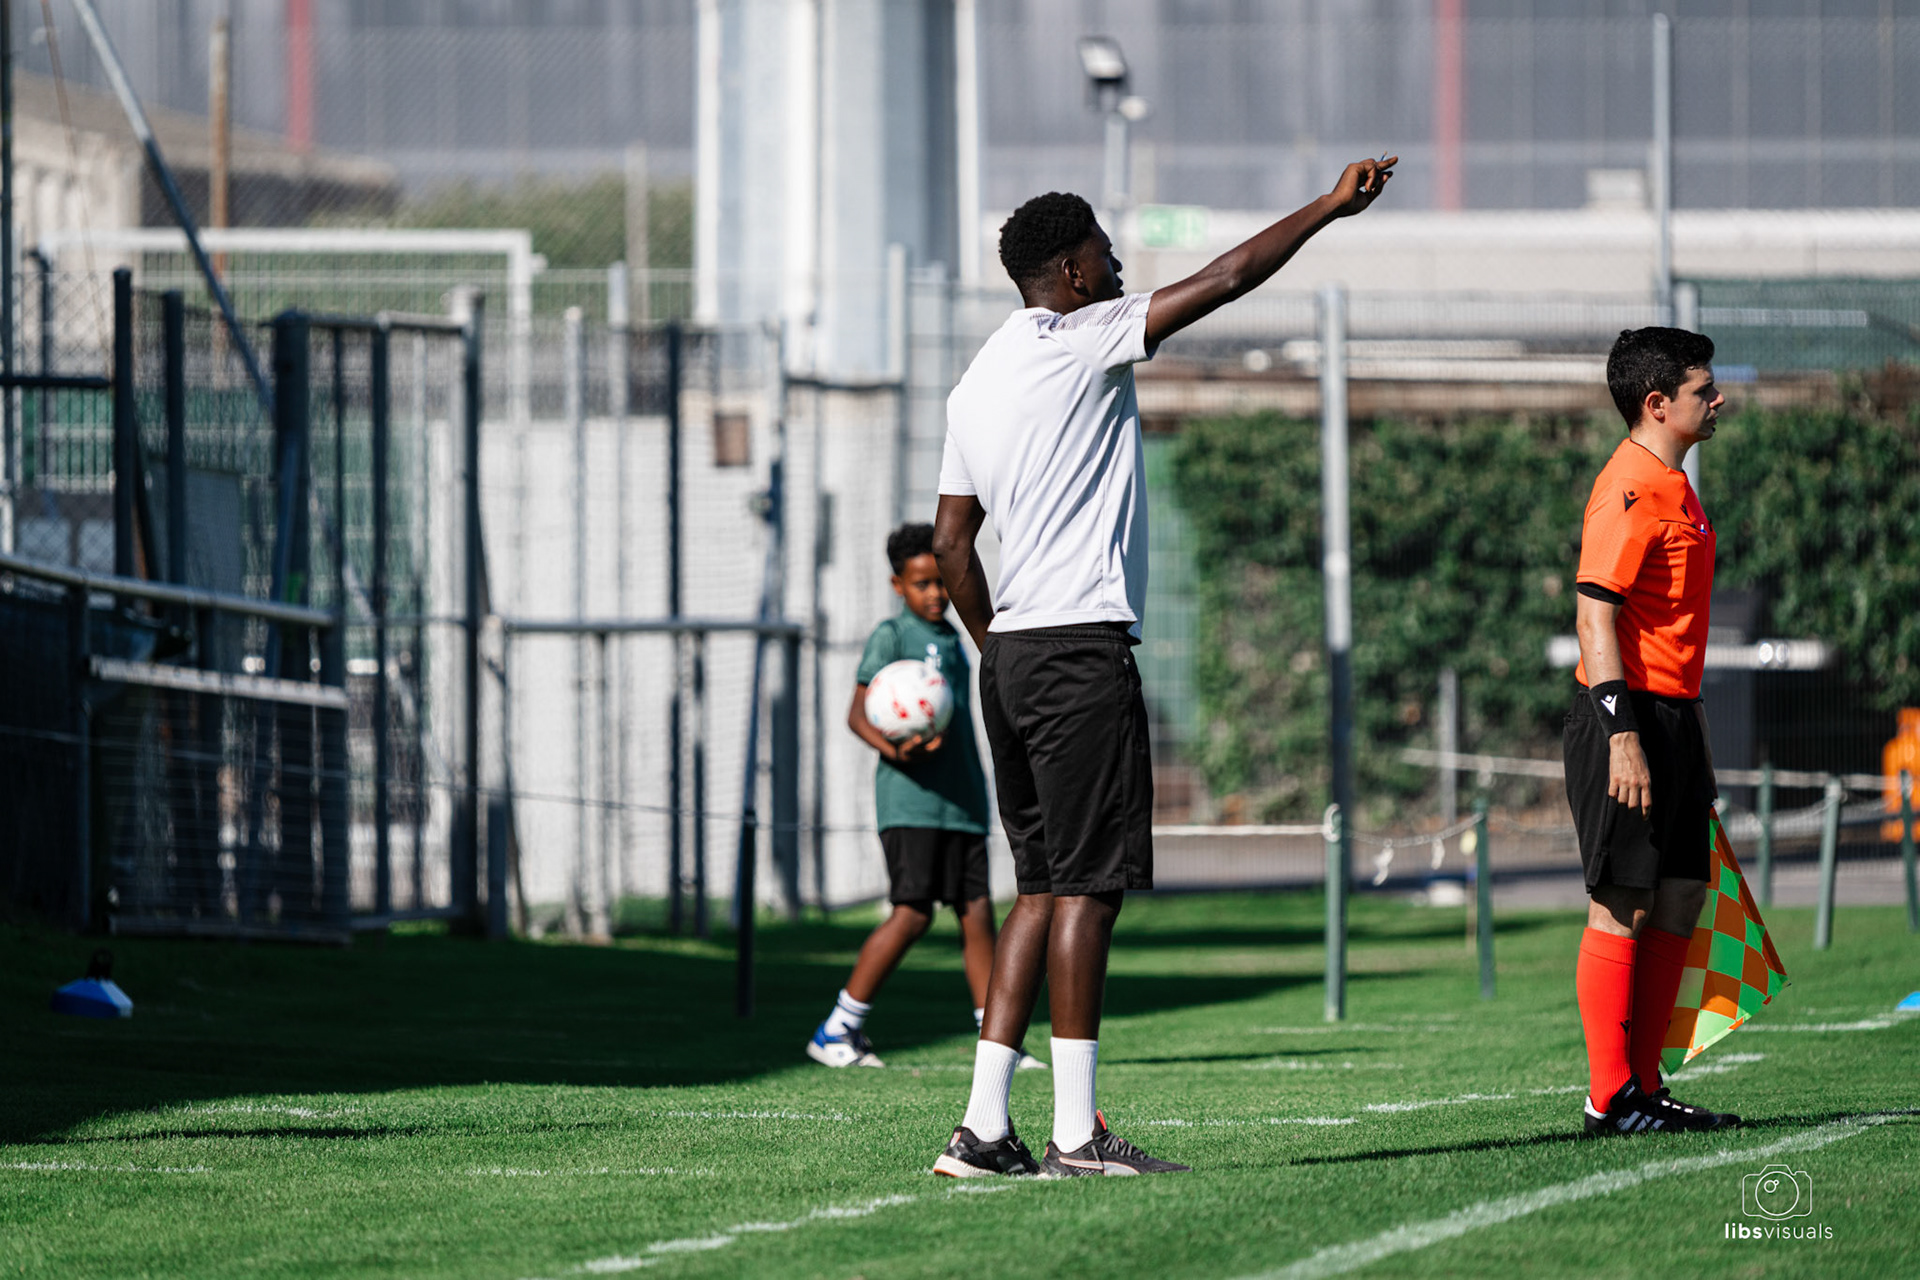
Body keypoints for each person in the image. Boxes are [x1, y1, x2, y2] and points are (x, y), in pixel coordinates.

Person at [928, 156, 1396, 1178]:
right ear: (1071, 269)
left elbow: (952, 549)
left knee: (1042, 888)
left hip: (1008, 659)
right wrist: (1325, 204)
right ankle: (1077, 1132)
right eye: (1102, 245)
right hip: (1077, 649)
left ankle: (984, 1128)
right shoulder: (1084, 336)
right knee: (1090, 890)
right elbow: (1227, 279)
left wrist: (998, 647)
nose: (1115, 257)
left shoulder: (977, 380)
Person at [1564, 326, 1739, 1135]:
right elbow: (1594, 614)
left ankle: (1645, 1084)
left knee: (1679, 897)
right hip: (1623, 715)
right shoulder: (1629, 485)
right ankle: (1611, 1099)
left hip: (1674, 716)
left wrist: (1685, 730)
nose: (1720, 400)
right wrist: (1622, 734)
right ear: (1657, 403)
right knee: (1622, 903)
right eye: (1705, 390)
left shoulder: (1676, 482)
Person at [807, 523, 1042, 1072]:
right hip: (911, 803)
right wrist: (896, 752)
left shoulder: (957, 643)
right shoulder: (891, 637)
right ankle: (837, 1028)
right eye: (921, 584)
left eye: (940, 582)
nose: (935, 594)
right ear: (898, 585)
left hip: (962, 801)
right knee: (911, 914)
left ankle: (996, 1042)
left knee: (977, 912)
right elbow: (857, 714)